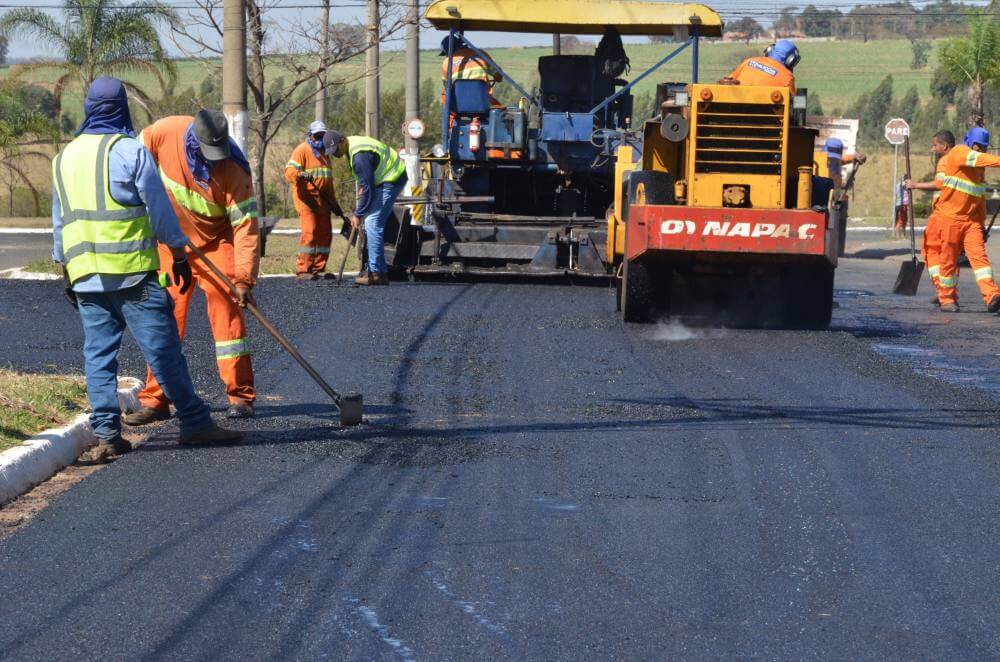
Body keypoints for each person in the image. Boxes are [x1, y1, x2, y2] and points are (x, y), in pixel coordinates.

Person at [51, 78, 240, 458]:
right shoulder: (129, 151)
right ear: (122, 108)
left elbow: (60, 223)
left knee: (99, 356)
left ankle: (107, 435)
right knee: (164, 351)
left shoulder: (64, 158)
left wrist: (67, 271)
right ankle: (195, 422)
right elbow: (160, 212)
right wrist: (180, 254)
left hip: (87, 277)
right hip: (133, 274)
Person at [125, 111, 261, 423]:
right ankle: (156, 399)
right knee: (164, 317)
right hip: (172, 243)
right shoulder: (164, 132)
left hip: (216, 242)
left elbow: (245, 228)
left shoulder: (235, 169)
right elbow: (133, 161)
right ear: (193, 141)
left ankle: (240, 396)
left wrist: (243, 279)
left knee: (228, 315)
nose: (214, 160)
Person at [907, 126, 1000, 313]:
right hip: (949, 219)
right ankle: (947, 298)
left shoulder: (978, 169)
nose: (981, 150)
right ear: (970, 143)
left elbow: (979, 198)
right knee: (948, 260)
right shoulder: (959, 153)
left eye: (983, 147)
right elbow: (979, 159)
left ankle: (992, 296)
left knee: (979, 259)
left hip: (971, 221)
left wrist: (981, 225)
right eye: (978, 146)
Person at [324, 131, 407, 286]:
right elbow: (366, 183)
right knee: (373, 223)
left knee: (372, 223)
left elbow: (368, 188)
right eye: (332, 152)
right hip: (383, 179)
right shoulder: (351, 147)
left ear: (343, 141)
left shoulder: (359, 156)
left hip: (392, 178)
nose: (335, 154)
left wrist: (358, 213)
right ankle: (381, 272)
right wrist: (364, 190)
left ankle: (376, 273)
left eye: (335, 149)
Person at [284, 120, 345, 280]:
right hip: (306, 200)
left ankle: (319, 268)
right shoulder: (302, 150)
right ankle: (304, 270)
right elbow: (289, 171)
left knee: (325, 234)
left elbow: (328, 183)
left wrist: (334, 205)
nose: (319, 139)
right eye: (317, 136)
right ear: (310, 135)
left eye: (322, 136)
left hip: (323, 201)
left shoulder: (326, 154)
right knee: (310, 233)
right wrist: (300, 174)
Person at [903, 130, 954, 303]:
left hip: (942, 215)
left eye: (935, 145)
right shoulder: (959, 160)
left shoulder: (945, 161)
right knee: (948, 255)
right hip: (955, 215)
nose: (933, 149)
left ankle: (943, 291)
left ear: (944, 146)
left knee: (931, 249)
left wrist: (915, 185)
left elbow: (940, 185)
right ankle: (948, 293)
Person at [440, 33, 503, 108]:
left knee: (445, 97)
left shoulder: (446, 62)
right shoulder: (481, 54)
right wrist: (497, 78)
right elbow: (499, 75)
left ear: (448, 51)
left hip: (459, 105)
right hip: (483, 101)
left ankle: (450, 120)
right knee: (500, 111)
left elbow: (447, 86)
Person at [723, 39, 798, 92]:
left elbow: (728, 82)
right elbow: (792, 103)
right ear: (791, 60)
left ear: (769, 50)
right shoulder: (787, 78)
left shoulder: (748, 62)